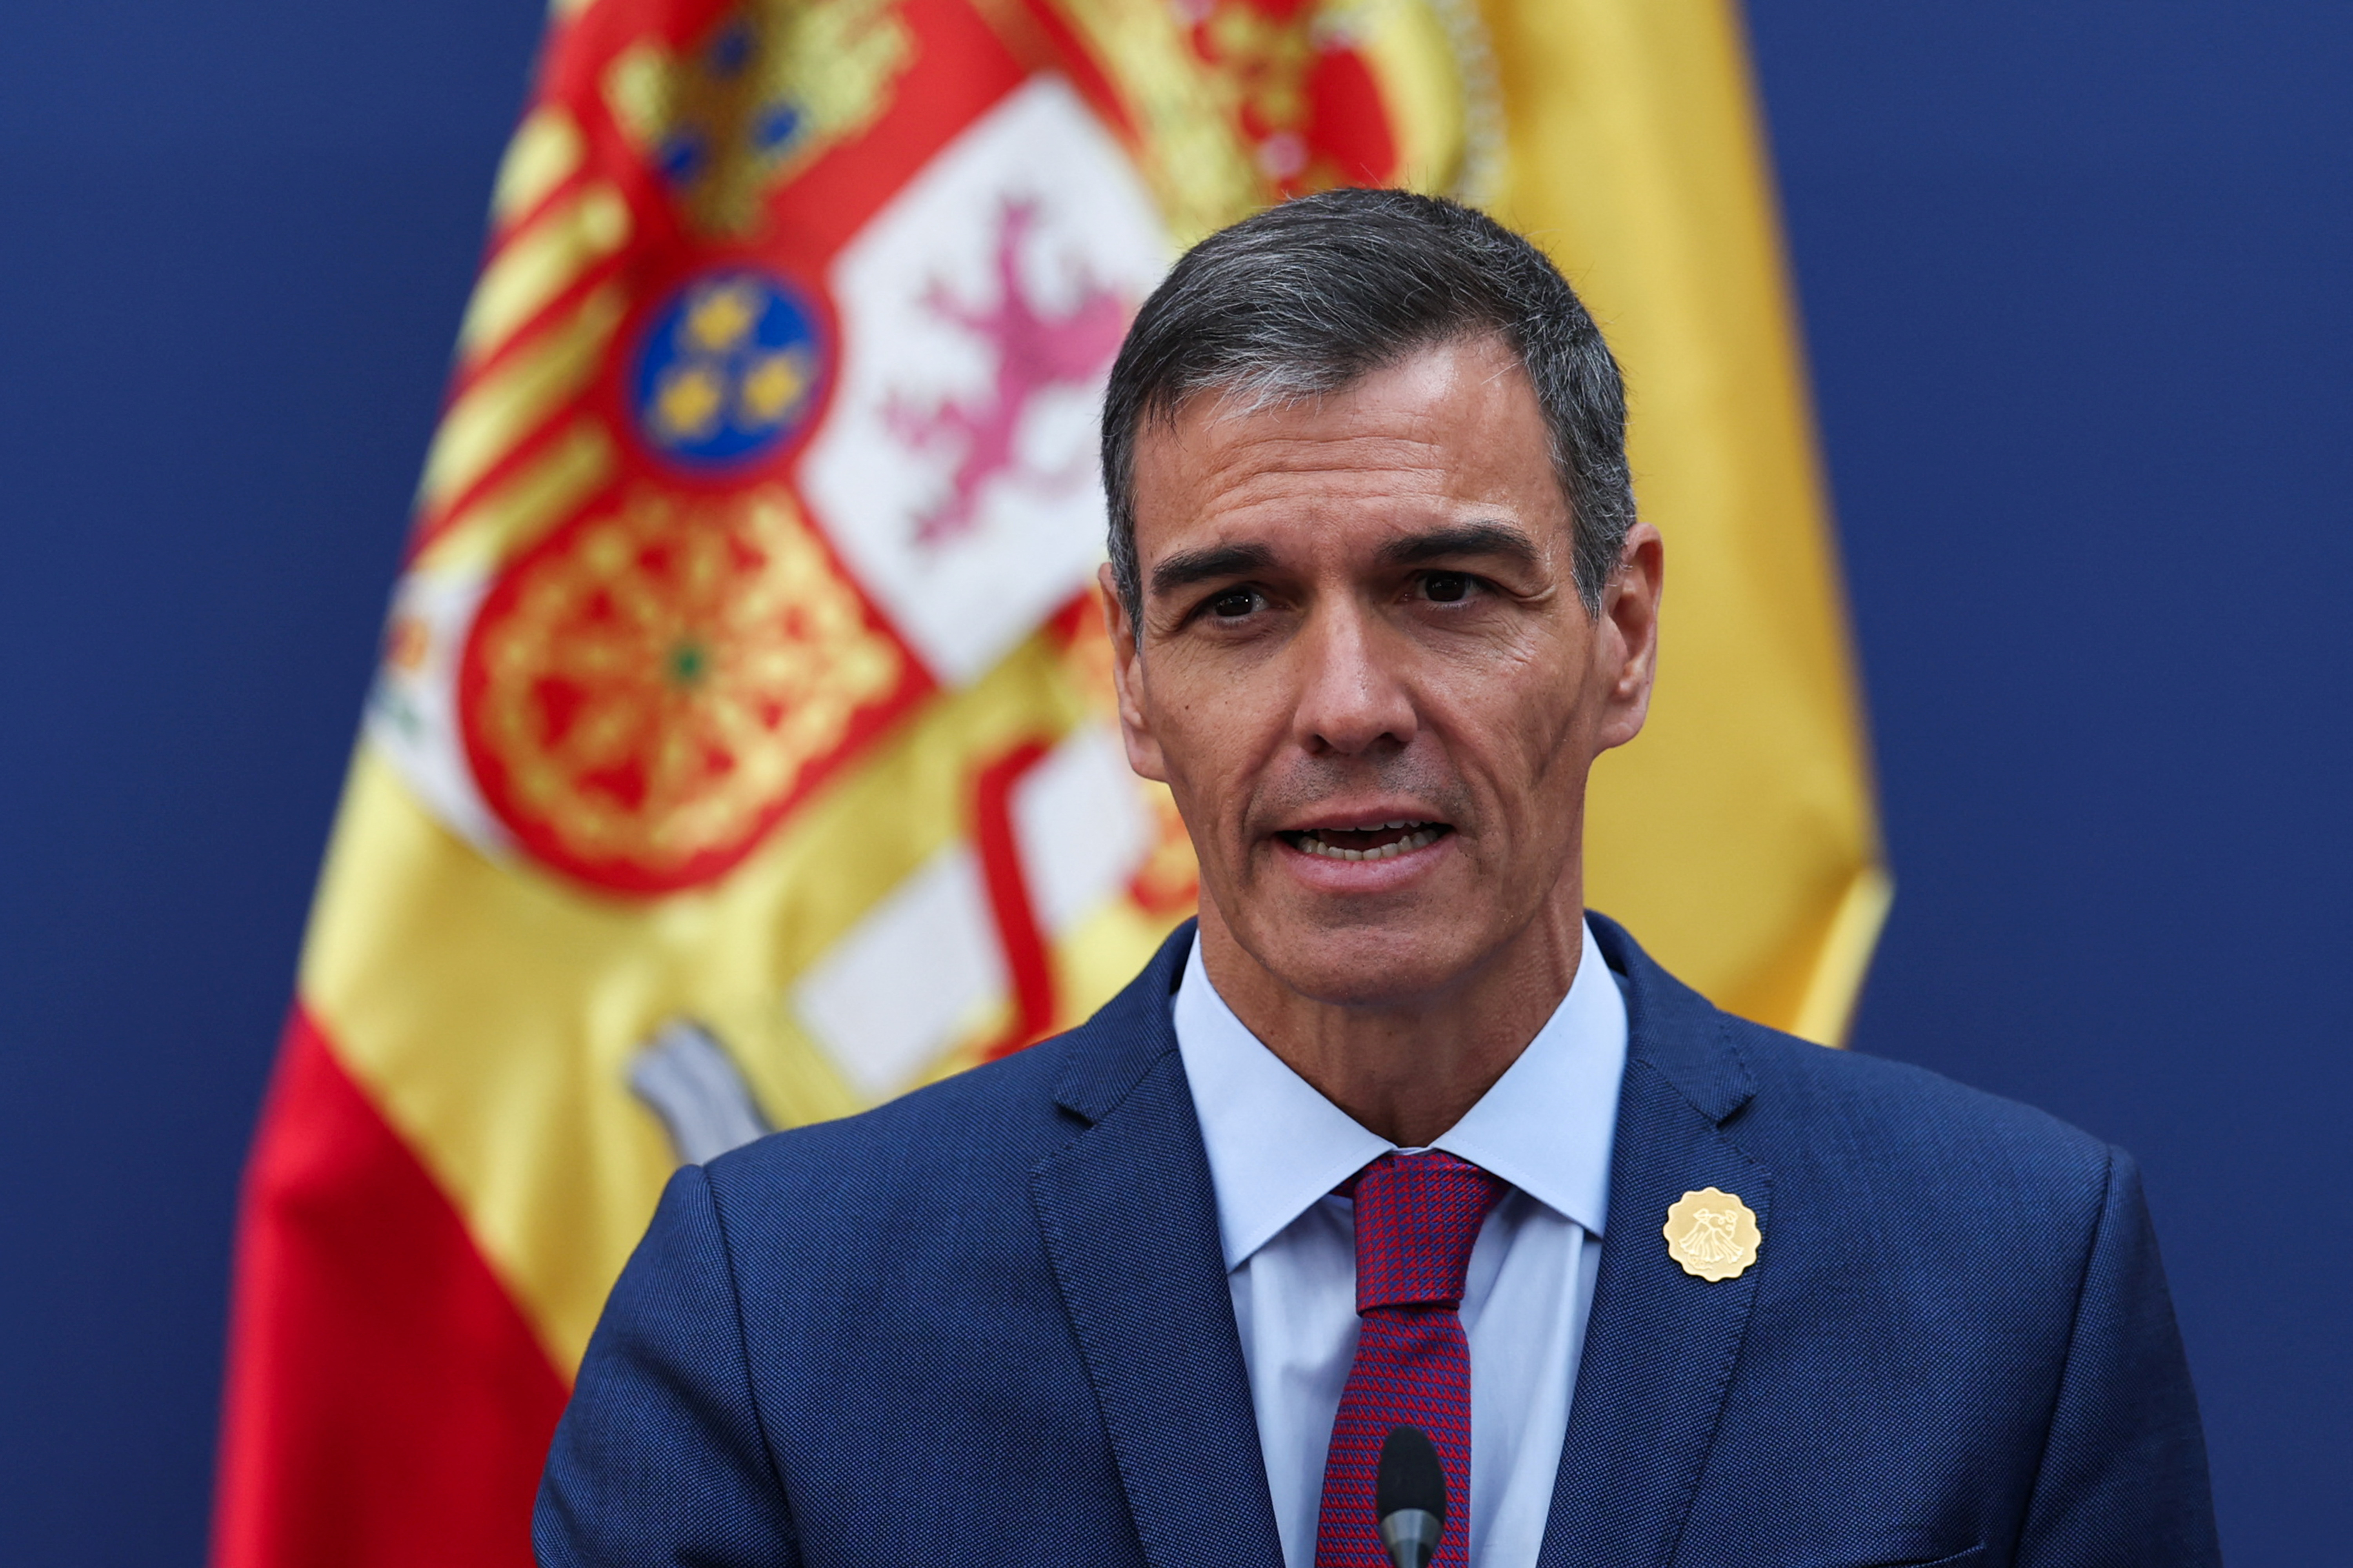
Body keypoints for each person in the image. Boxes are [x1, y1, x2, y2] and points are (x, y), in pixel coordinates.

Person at [535, 189, 2219, 1568]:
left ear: (1620, 635)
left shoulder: (2004, 1286)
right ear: (1130, 678)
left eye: (1446, 589)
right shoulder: (780, 1307)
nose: (1347, 707)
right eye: (1239, 609)